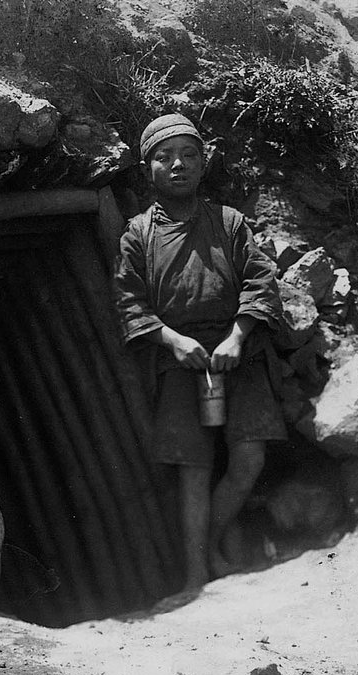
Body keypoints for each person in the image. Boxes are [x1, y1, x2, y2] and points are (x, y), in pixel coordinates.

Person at [114, 113, 286, 591]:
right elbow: (128, 302)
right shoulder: (138, 236)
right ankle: (194, 578)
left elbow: (260, 280)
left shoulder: (228, 223)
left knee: (248, 459)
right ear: (147, 169)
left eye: (189, 155)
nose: (178, 165)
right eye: (165, 157)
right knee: (194, 470)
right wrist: (171, 339)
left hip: (238, 353)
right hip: (179, 359)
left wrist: (237, 335)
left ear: (203, 163)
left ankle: (213, 542)